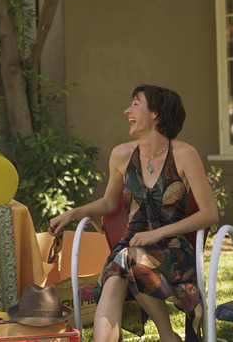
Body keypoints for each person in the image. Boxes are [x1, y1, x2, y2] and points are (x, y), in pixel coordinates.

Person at [48, 85, 218, 342]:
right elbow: (108, 203)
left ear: (156, 114)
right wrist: (72, 213)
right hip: (131, 247)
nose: (127, 110)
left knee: (127, 260)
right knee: (117, 275)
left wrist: (156, 234)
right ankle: (168, 337)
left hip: (173, 252)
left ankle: (166, 336)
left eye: (136, 104)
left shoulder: (184, 154)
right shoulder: (121, 155)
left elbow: (210, 214)